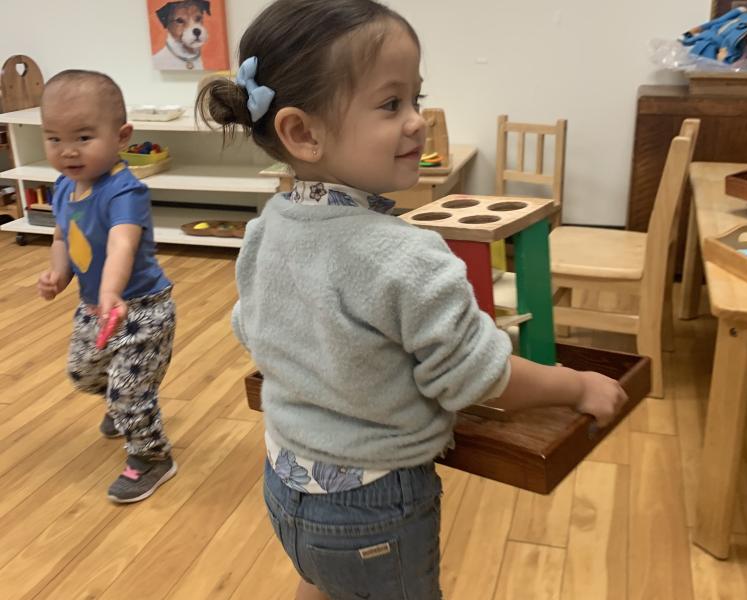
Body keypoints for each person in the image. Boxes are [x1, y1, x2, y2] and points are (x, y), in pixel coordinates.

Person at [197, 1, 626, 598]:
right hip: (374, 504)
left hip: (286, 479)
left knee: (322, 583)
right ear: (302, 132)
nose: (418, 121)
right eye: (391, 103)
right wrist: (578, 386)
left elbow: (253, 327)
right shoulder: (409, 256)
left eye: (416, 98)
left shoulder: (269, 225)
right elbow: (479, 379)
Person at [37, 70, 177, 504]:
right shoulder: (63, 187)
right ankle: (126, 409)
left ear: (121, 136)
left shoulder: (124, 190)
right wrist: (58, 274)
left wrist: (112, 291)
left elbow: (121, 242)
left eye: (82, 137)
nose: (68, 151)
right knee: (82, 373)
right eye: (54, 139)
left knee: (128, 389)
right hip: (95, 306)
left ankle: (151, 457)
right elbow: (63, 237)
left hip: (141, 308)